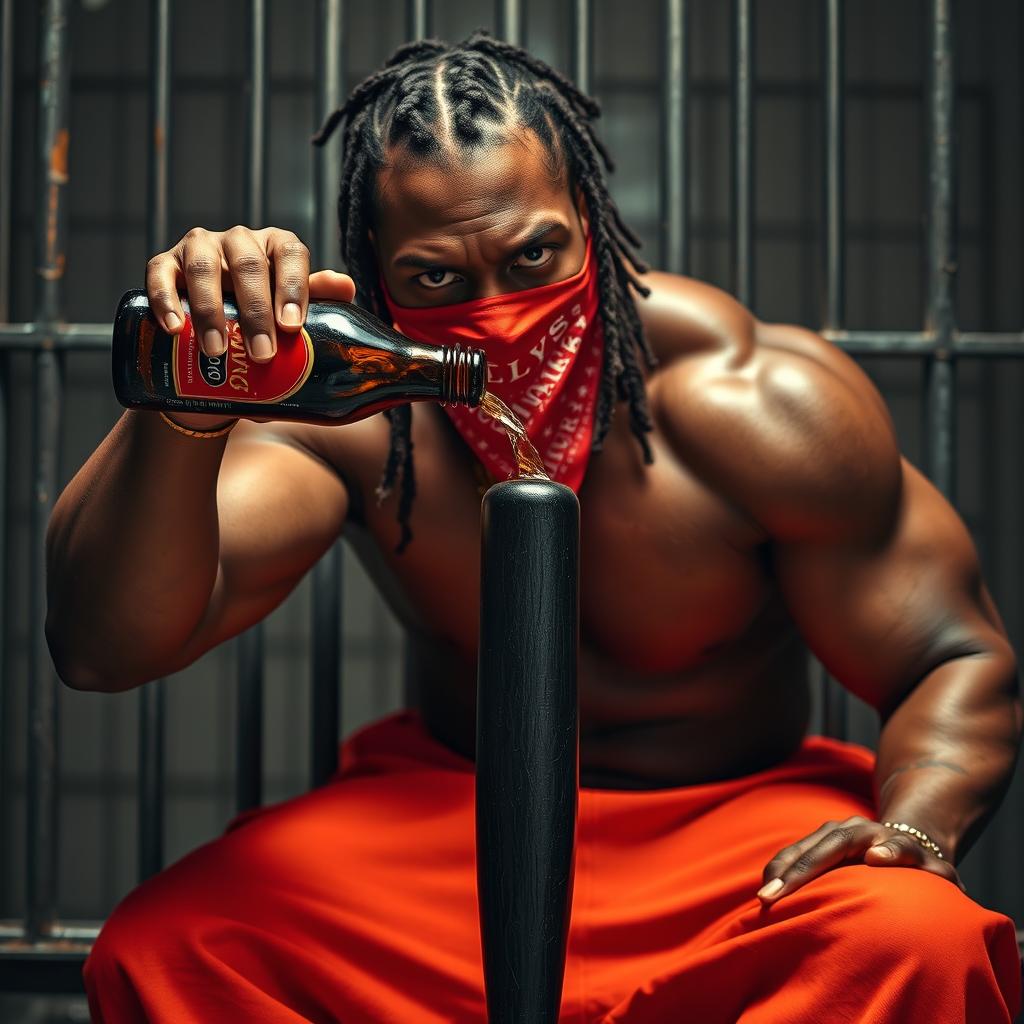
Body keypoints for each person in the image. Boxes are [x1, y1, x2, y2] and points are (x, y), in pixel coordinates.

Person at [47, 31, 1021, 1023]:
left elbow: (951, 655)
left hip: (733, 838)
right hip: (449, 832)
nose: (499, 315)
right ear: (374, 277)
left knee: (918, 942)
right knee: (171, 948)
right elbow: (104, 645)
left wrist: (917, 824)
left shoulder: (751, 403)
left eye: (533, 255)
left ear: (590, 223)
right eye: (434, 279)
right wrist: (182, 401)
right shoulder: (357, 421)